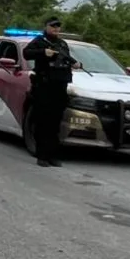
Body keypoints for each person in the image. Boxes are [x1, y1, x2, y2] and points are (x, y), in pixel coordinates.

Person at [22, 16, 81, 167]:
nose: (56, 28)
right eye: (53, 26)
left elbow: (67, 59)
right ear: (46, 26)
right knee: (43, 122)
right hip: (44, 87)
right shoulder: (40, 41)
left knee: (55, 122)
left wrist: (75, 64)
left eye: (58, 26)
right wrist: (43, 52)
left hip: (60, 87)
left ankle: (53, 155)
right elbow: (27, 53)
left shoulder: (62, 43)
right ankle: (42, 155)